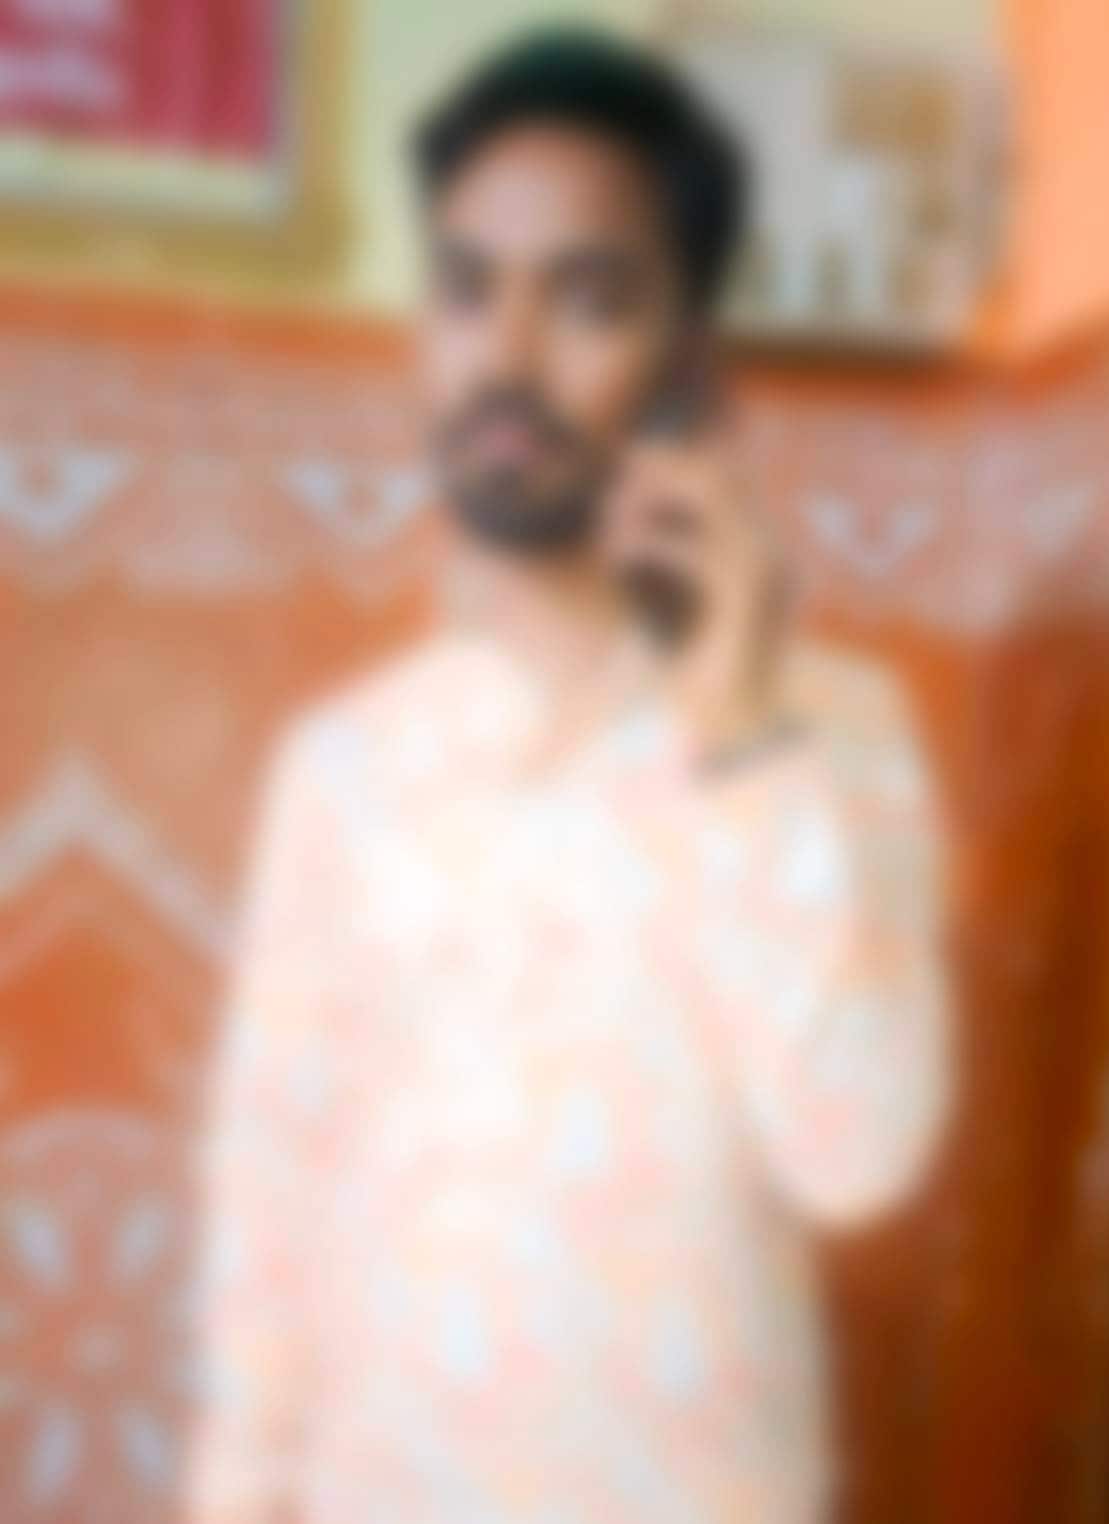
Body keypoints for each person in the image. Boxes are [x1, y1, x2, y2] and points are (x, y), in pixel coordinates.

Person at [184, 28, 950, 1524]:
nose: (509, 360)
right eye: (468, 289)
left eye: (588, 299)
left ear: (691, 367)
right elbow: (263, 1237)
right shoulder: (342, 770)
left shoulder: (833, 732)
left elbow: (858, 1163)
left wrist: (737, 732)